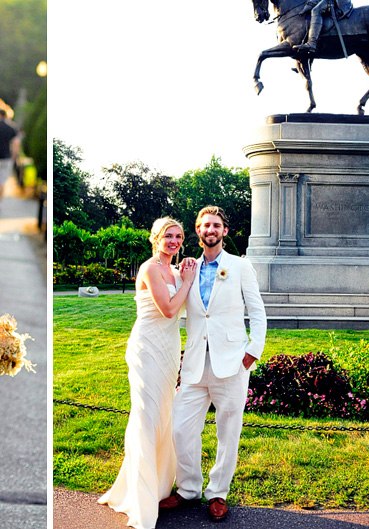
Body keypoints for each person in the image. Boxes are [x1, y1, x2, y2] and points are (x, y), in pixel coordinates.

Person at [160, 206, 267, 522]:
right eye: (206, 224)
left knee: (228, 431)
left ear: (224, 231)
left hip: (232, 363)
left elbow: (257, 312)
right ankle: (189, 488)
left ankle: (218, 492)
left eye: (216, 225)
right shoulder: (186, 270)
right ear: (198, 230)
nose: (211, 229)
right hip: (194, 363)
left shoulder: (240, 266)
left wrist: (252, 352)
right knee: (180, 427)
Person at [98, 218, 197, 529]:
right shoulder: (150, 268)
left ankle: (157, 488)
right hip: (146, 348)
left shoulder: (175, 270)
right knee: (146, 417)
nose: (174, 241)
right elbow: (168, 309)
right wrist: (188, 282)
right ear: (156, 238)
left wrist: (185, 277)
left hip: (168, 349)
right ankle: (140, 500)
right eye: (168, 236)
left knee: (164, 417)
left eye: (178, 236)